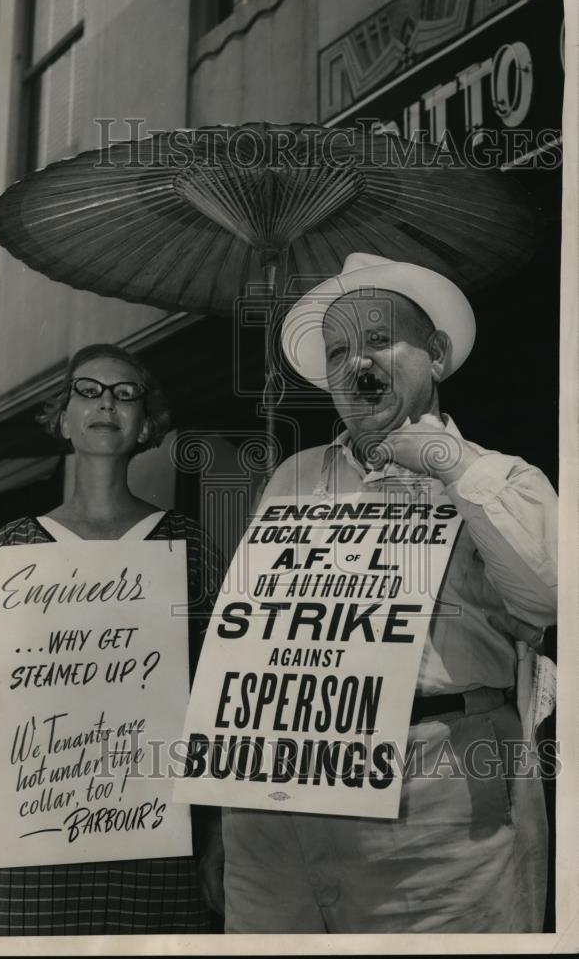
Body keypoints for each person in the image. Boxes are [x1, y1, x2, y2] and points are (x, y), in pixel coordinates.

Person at [221, 252, 557, 934]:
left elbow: (549, 595)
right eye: (337, 351)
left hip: (438, 800)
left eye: (378, 340)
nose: (356, 364)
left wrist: (443, 462)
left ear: (434, 354)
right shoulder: (291, 477)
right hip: (277, 799)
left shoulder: (502, 477)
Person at [0, 343, 224, 935]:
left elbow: (224, 698)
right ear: (63, 418)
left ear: (146, 424)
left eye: (125, 394)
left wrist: (222, 829)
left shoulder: (188, 546)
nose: (106, 404)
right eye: (87, 391)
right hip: (29, 840)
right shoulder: (15, 546)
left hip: (152, 837)